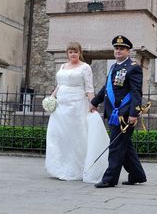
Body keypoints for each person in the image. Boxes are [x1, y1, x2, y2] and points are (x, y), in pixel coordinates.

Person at [45, 42, 109, 182]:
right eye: (70, 52)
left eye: (75, 52)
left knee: (76, 135)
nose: (72, 54)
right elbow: (59, 85)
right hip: (61, 105)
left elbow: (89, 88)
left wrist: (92, 104)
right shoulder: (63, 66)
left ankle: (78, 167)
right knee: (59, 135)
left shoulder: (85, 67)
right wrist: (51, 98)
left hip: (77, 105)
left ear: (80, 53)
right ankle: (60, 166)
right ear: (67, 53)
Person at [90, 35, 147, 188]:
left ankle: (109, 179)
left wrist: (134, 113)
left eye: (122, 49)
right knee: (124, 145)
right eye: (116, 48)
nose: (118, 51)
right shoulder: (114, 66)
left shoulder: (133, 67)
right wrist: (95, 102)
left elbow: (136, 93)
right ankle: (137, 175)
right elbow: (107, 89)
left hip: (125, 114)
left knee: (116, 146)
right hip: (114, 113)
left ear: (128, 51)